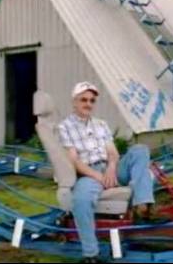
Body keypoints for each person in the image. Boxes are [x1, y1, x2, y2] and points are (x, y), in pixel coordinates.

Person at [58, 81, 155, 263]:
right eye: (84, 99)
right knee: (81, 200)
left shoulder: (100, 124)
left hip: (110, 168)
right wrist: (99, 177)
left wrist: (111, 169)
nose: (88, 104)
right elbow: (74, 160)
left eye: (92, 100)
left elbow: (113, 153)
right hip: (88, 172)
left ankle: (143, 205)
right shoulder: (65, 127)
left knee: (140, 150)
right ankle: (90, 254)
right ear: (74, 102)